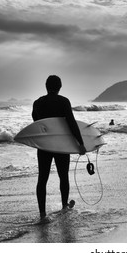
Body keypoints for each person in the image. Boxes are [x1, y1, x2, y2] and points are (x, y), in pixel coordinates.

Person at [32, 75, 86, 222]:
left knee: (42, 178)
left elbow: (36, 124)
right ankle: (64, 206)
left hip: (44, 145)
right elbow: (71, 122)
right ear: (60, 87)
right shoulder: (63, 101)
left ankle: (42, 214)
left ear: (46, 86)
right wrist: (80, 143)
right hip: (61, 144)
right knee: (63, 176)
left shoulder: (37, 103)